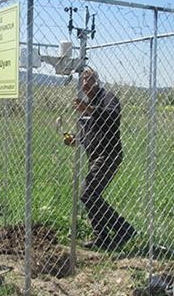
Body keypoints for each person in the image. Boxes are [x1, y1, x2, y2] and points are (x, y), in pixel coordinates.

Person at [64, 67, 136, 250]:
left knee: (87, 194)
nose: (85, 84)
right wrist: (74, 139)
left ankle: (124, 229)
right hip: (95, 156)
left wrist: (87, 108)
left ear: (97, 81)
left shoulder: (107, 98)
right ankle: (102, 236)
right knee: (91, 196)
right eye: (82, 81)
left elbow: (112, 117)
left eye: (88, 80)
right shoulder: (85, 105)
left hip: (109, 155)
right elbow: (85, 132)